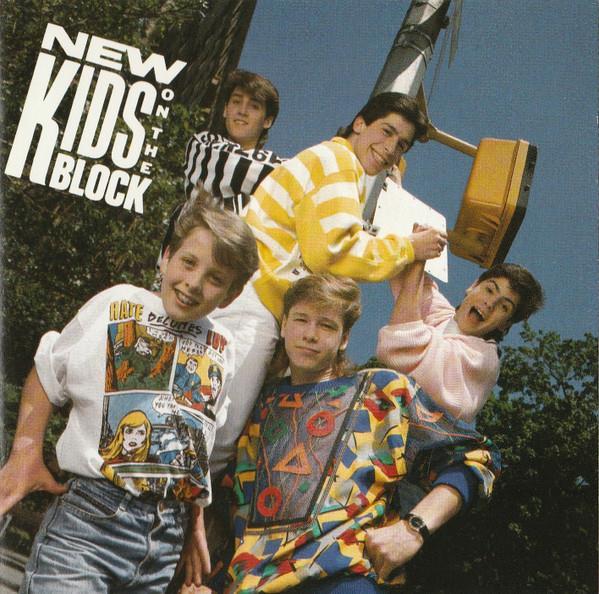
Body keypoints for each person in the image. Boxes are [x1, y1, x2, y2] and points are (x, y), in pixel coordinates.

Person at [0, 197, 258, 593]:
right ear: (167, 256)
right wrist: (25, 452)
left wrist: (193, 524)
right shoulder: (120, 303)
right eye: (188, 262)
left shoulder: (222, 345)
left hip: (164, 544)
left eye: (215, 278)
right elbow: (48, 371)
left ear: (231, 294)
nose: (193, 283)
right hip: (90, 524)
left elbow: (194, 444)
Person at [209, 92, 448, 477]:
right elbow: (333, 251)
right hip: (252, 303)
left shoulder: (339, 168)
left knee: (218, 422)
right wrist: (409, 247)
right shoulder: (338, 162)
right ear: (359, 123)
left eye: (401, 145)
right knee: (219, 431)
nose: (390, 149)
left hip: (254, 298)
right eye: (386, 132)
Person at [224, 274, 499, 593]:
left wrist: (413, 529)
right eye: (301, 319)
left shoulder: (382, 392)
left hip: (342, 579)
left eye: (326, 325)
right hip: (249, 583)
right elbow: (229, 501)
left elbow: (477, 458)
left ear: (344, 338)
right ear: (284, 325)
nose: (310, 334)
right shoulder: (258, 405)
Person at [376, 258, 544, 422]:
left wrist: (419, 262)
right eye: (490, 290)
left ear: (505, 324)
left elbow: (400, 346)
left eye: (504, 307)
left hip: (412, 435)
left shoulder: (484, 359)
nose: (490, 303)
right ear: (473, 286)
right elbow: (407, 274)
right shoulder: (443, 317)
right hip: (382, 421)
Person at [157, 69, 283, 273]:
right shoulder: (203, 143)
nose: (242, 111)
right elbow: (228, 168)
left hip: (235, 272)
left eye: (254, 106)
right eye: (236, 101)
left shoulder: (279, 167)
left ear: (267, 121)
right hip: (182, 263)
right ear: (225, 109)